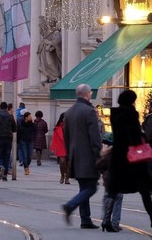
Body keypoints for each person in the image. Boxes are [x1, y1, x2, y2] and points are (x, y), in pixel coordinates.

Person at [101, 90, 152, 232]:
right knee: (144, 189)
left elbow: (120, 135)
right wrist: (148, 141)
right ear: (131, 100)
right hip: (132, 158)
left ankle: (106, 220)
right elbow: (135, 135)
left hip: (118, 156)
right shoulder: (131, 113)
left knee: (114, 189)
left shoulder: (115, 114)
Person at [61, 84, 102, 229]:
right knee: (91, 187)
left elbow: (66, 136)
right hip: (88, 156)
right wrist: (98, 155)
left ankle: (85, 219)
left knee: (84, 187)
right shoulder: (89, 111)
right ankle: (70, 205)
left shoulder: (69, 112)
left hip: (75, 156)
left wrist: (68, 154)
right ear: (87, 94)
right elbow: (95, 137)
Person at [50, 113, 70, 184]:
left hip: (69, 146)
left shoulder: (72, 127)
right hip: (61, 146)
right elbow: (54, 138)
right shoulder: (57, 128)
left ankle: (67, 178)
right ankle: (62, 176)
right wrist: (53, 147)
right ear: (62, 119)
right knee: (62, 162)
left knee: (68, 163)